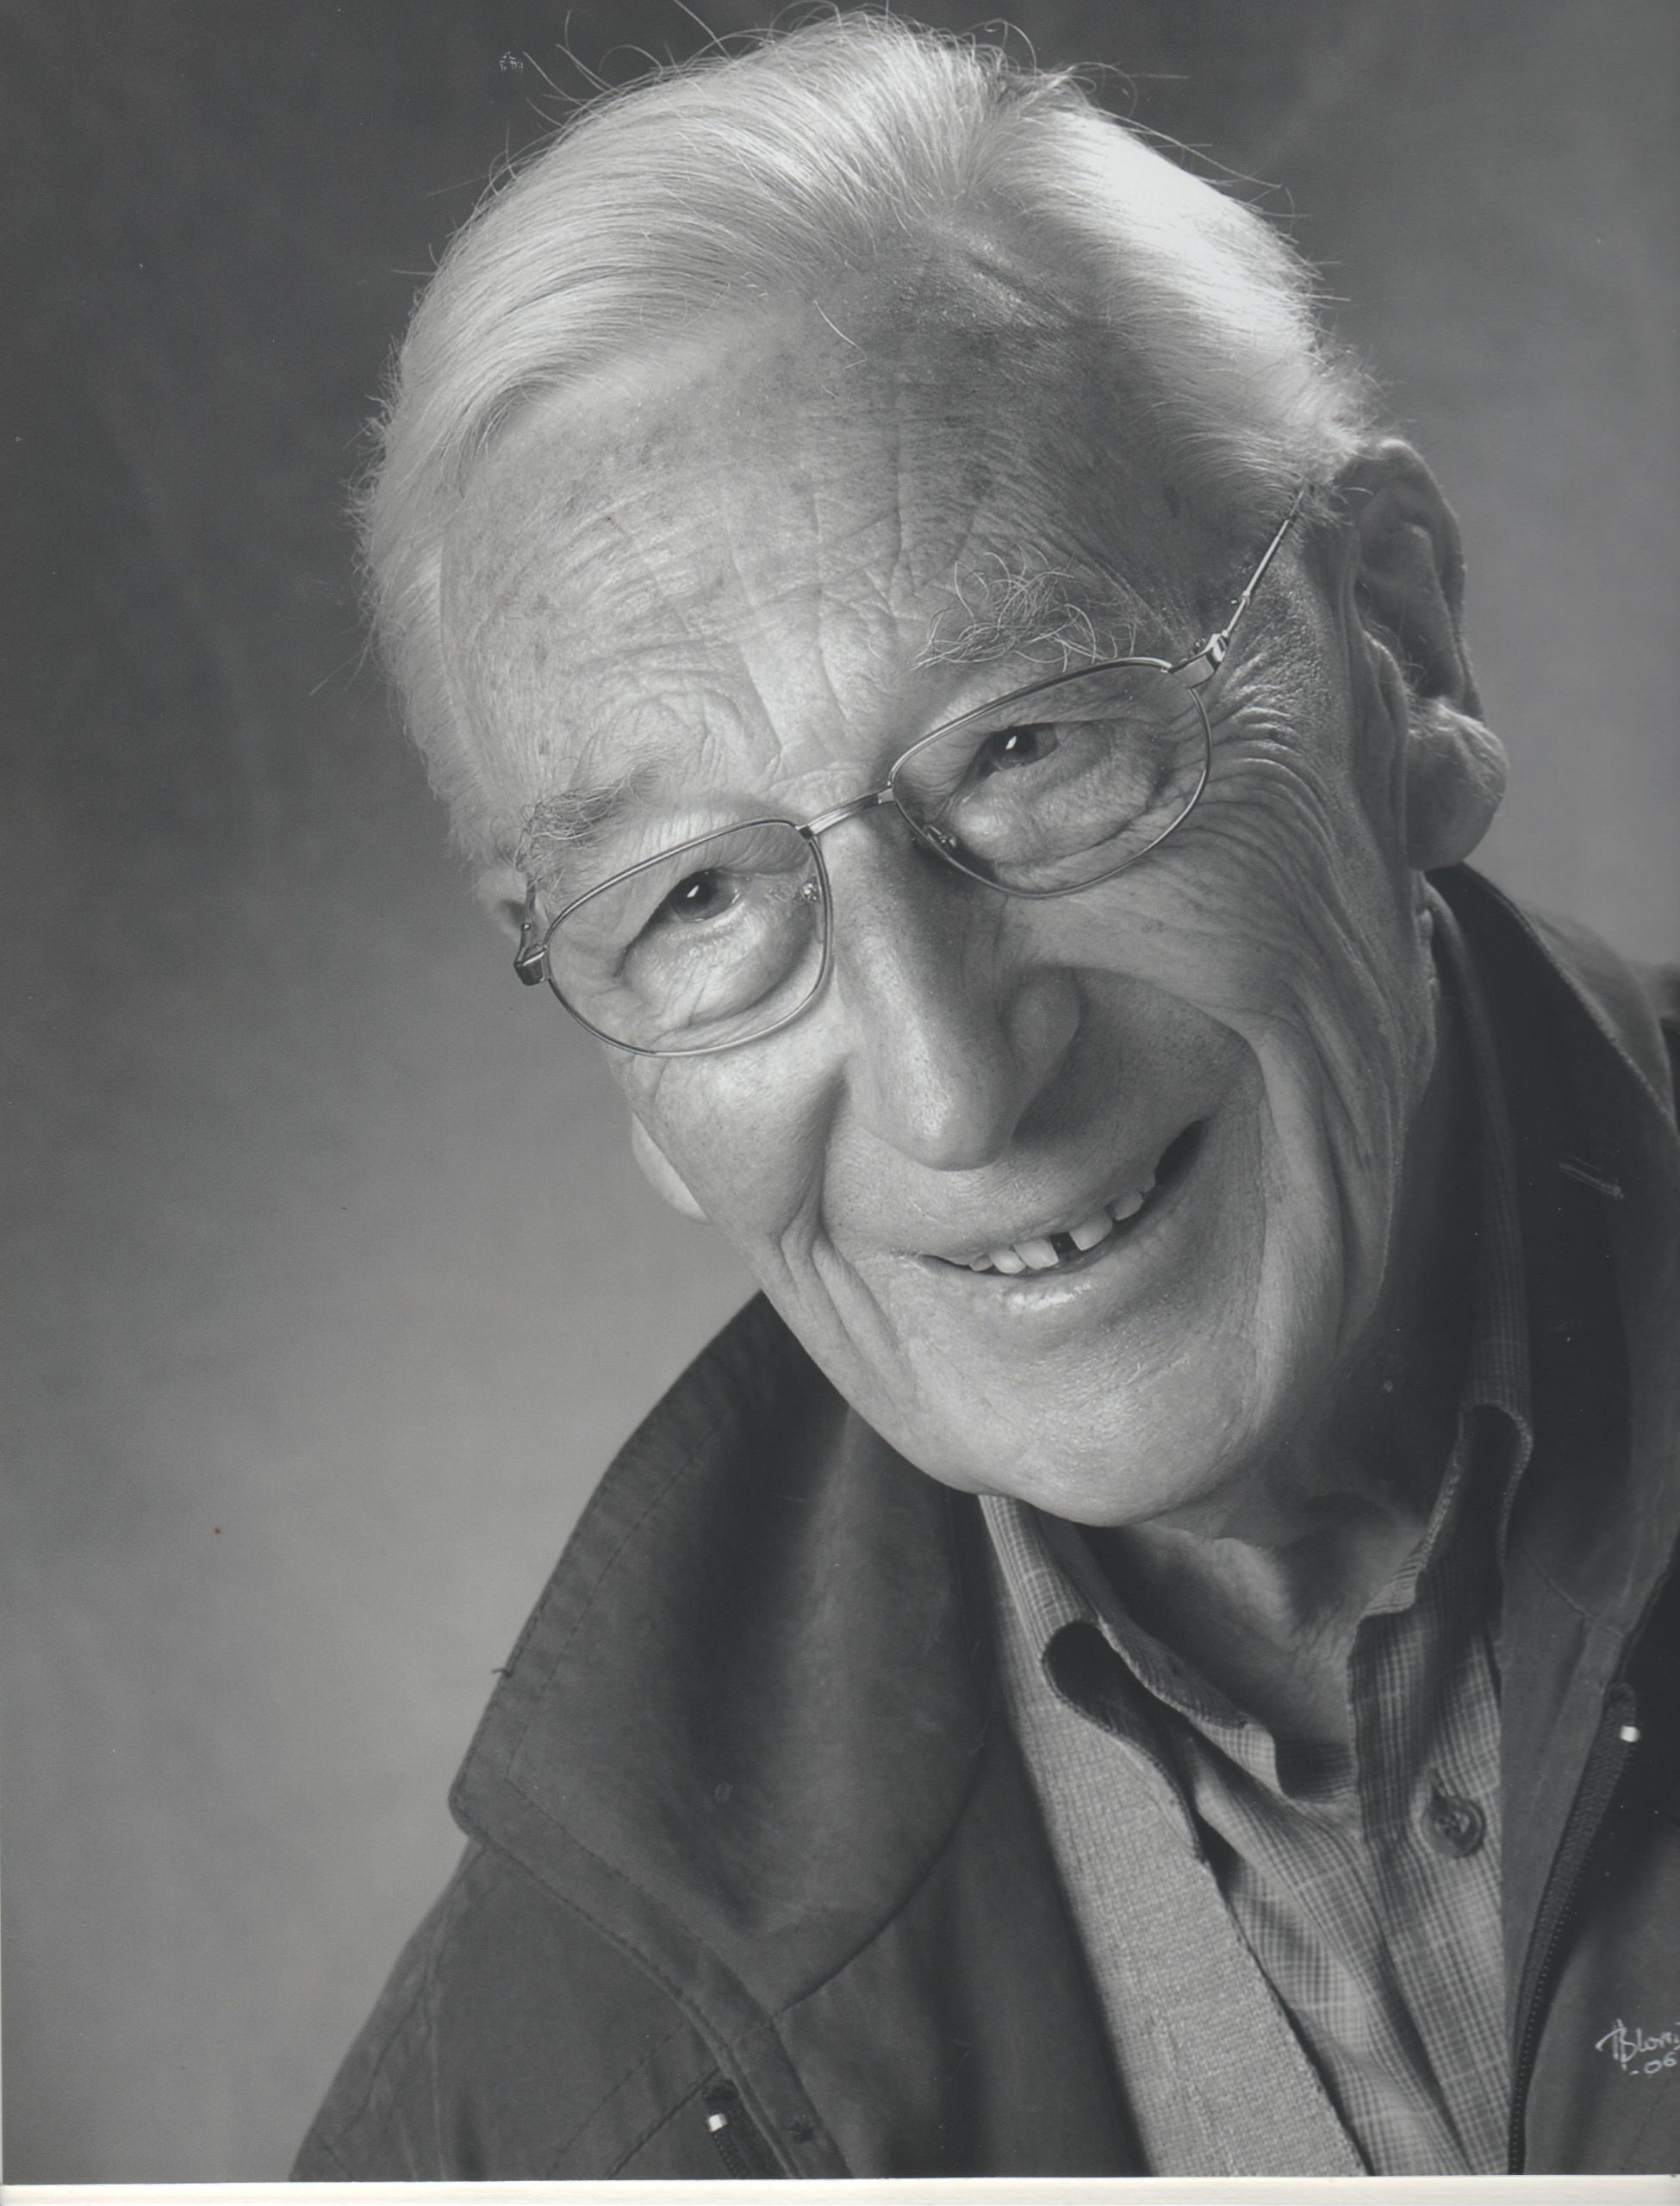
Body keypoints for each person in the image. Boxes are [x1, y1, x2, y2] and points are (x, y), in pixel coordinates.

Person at [294, 16, 1680, 2181]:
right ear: (618, 1036)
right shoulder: (561, 2078)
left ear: (1395, 651)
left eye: (1028, 747)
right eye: (698, 898)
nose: (953, 1090)